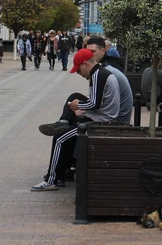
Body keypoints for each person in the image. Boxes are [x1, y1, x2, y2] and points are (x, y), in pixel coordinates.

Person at [31, 48, 122, 191]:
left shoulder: (99, 75)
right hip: (100, 118)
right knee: (74, 100)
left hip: (101, 123)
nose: (79, 73)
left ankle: (51, 180)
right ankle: (63, 124)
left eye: (79, 69)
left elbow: (95, 103)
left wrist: (78, 106)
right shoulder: (99, 73)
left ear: (86, 64)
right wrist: (80, 106)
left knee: (60, 138)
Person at [85, 36, 132, 123]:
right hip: (115, 116)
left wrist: (83, 109)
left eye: (93, 52)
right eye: (87, 52)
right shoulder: (105, 66)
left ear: (103, 51)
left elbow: (99, 104)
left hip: (117, 120)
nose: (89, 55)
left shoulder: (104, 71)